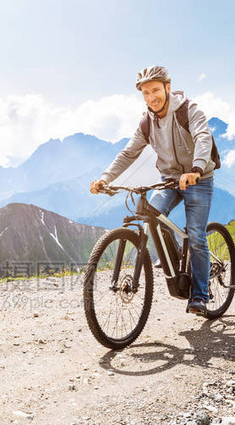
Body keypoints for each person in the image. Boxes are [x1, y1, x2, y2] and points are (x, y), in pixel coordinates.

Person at [90, 65, 216, 317]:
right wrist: (105, 178)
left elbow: (204, 137)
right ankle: (175, 254)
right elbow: (128, 153)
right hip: (169, 179)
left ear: (168, 88)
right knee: (152, 214)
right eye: (145, 93)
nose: (151, 97)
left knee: (196, 235)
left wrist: (197, 168)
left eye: (155, 90)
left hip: (198, 178)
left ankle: (200, 295)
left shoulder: (189, 110)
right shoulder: (147, 122)